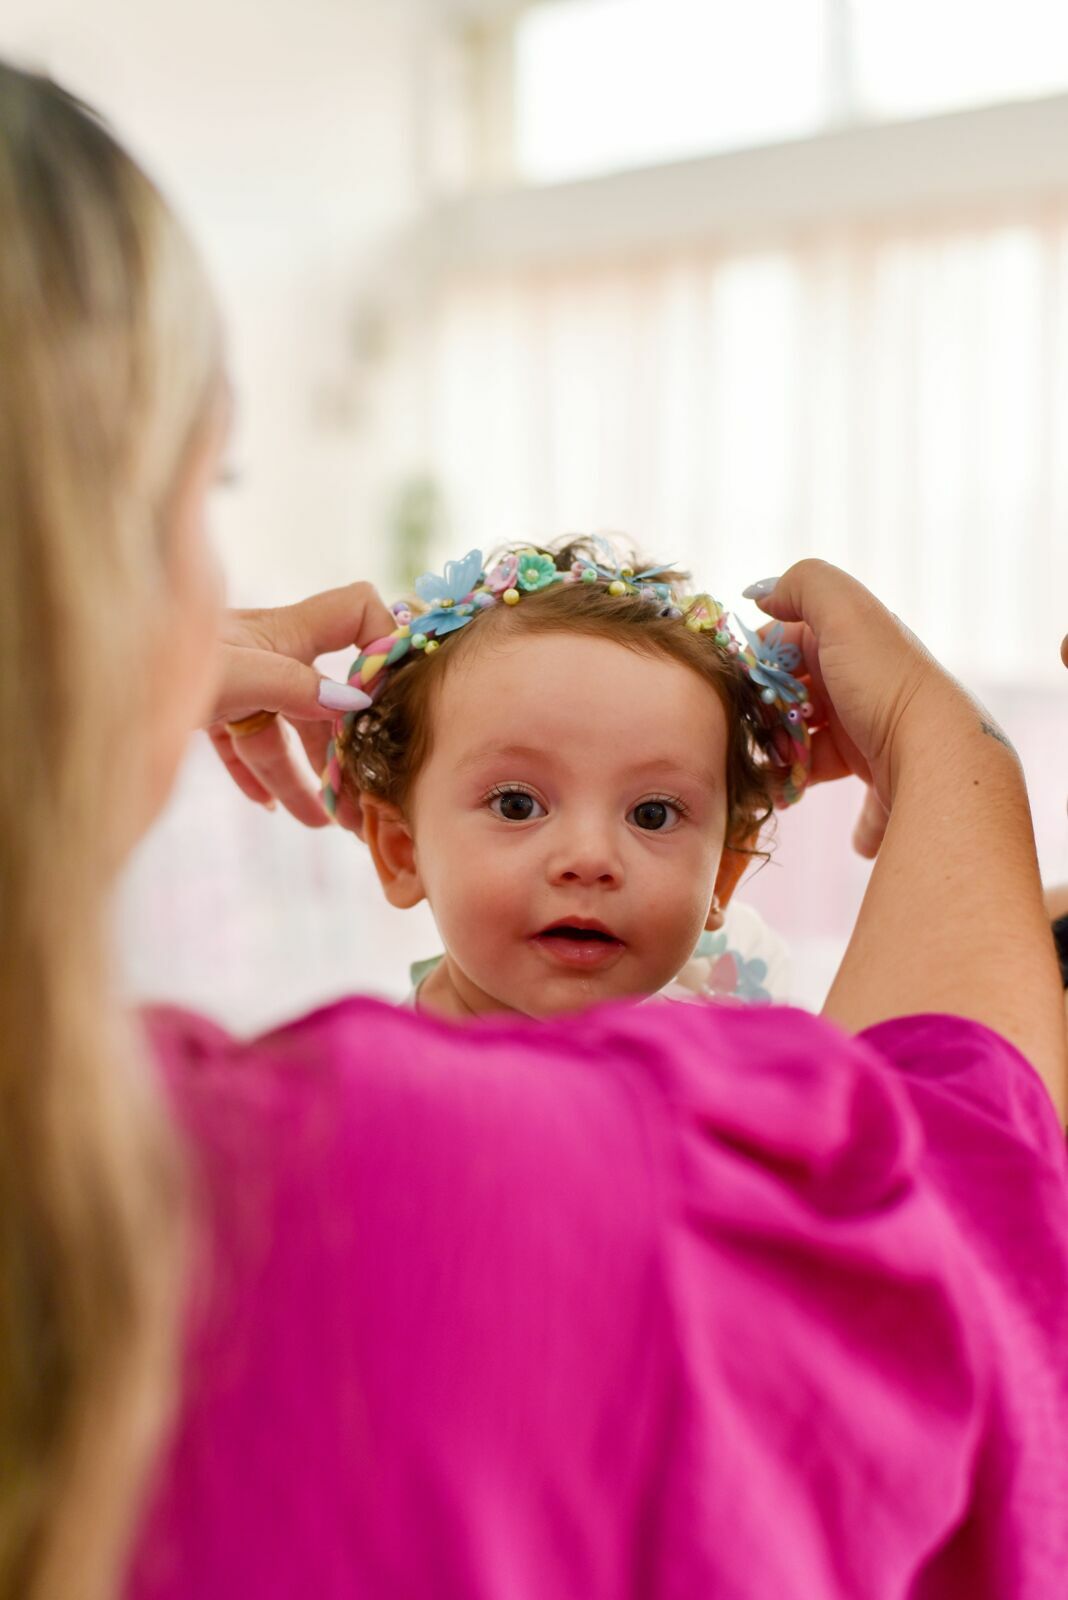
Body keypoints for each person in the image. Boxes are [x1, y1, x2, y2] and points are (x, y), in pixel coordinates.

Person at [1, 60, 1066, 1600]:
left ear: (733, 866)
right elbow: (961, 1243)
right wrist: (952, 758)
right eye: (197, 487)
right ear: (391, 842)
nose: (588, 854)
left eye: (657, 812)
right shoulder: (435, 1205)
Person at [325, 535, 805, 1016]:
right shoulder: (368, 1080)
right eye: (517, 804)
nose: (590, 857)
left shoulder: (735, 1020)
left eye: (652, 815)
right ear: (403, 852)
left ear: (722, 874)